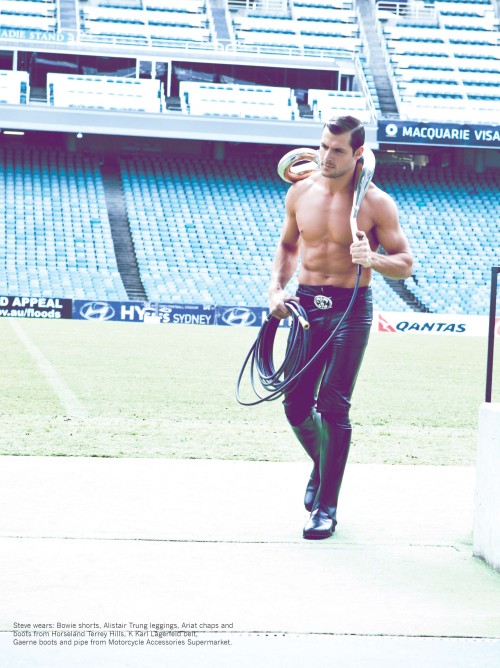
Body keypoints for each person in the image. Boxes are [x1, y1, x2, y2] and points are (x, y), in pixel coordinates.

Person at [268, 116, 413, 540]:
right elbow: (288, 245)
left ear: (358, 153)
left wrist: (374, 260)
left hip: (351, 309)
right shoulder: (300, 192)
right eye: (323, 146)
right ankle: (324, 464)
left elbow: (405, 263)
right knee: (295, 405)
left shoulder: (376, 203)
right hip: (306, 305)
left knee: (333, 407)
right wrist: (276, 290)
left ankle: (326, 508)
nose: (326, 157)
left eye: (337, 150)